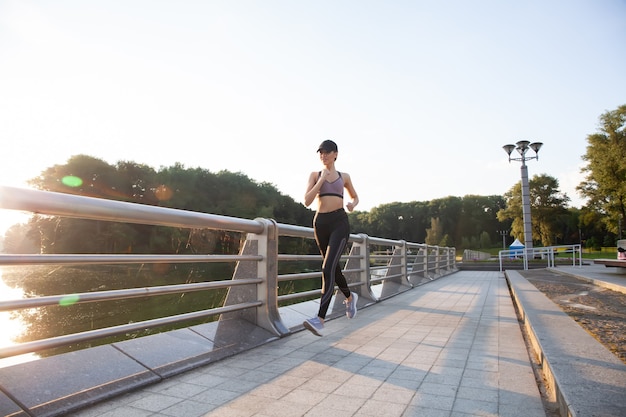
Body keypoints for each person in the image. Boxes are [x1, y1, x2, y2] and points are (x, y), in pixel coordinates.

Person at [302, 139, 360, 336]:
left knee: (327, 268)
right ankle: (350, 297)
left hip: (339, 223)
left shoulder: (344, 177)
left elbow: (355, 197)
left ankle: (319, 319)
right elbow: (307, 201)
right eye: (321, 153)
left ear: (335, 154)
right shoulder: (315, 175)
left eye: (327, 152)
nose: (323, 155)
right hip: (320, 223)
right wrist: (321, 180)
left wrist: (352, 204)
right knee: (333, 268)